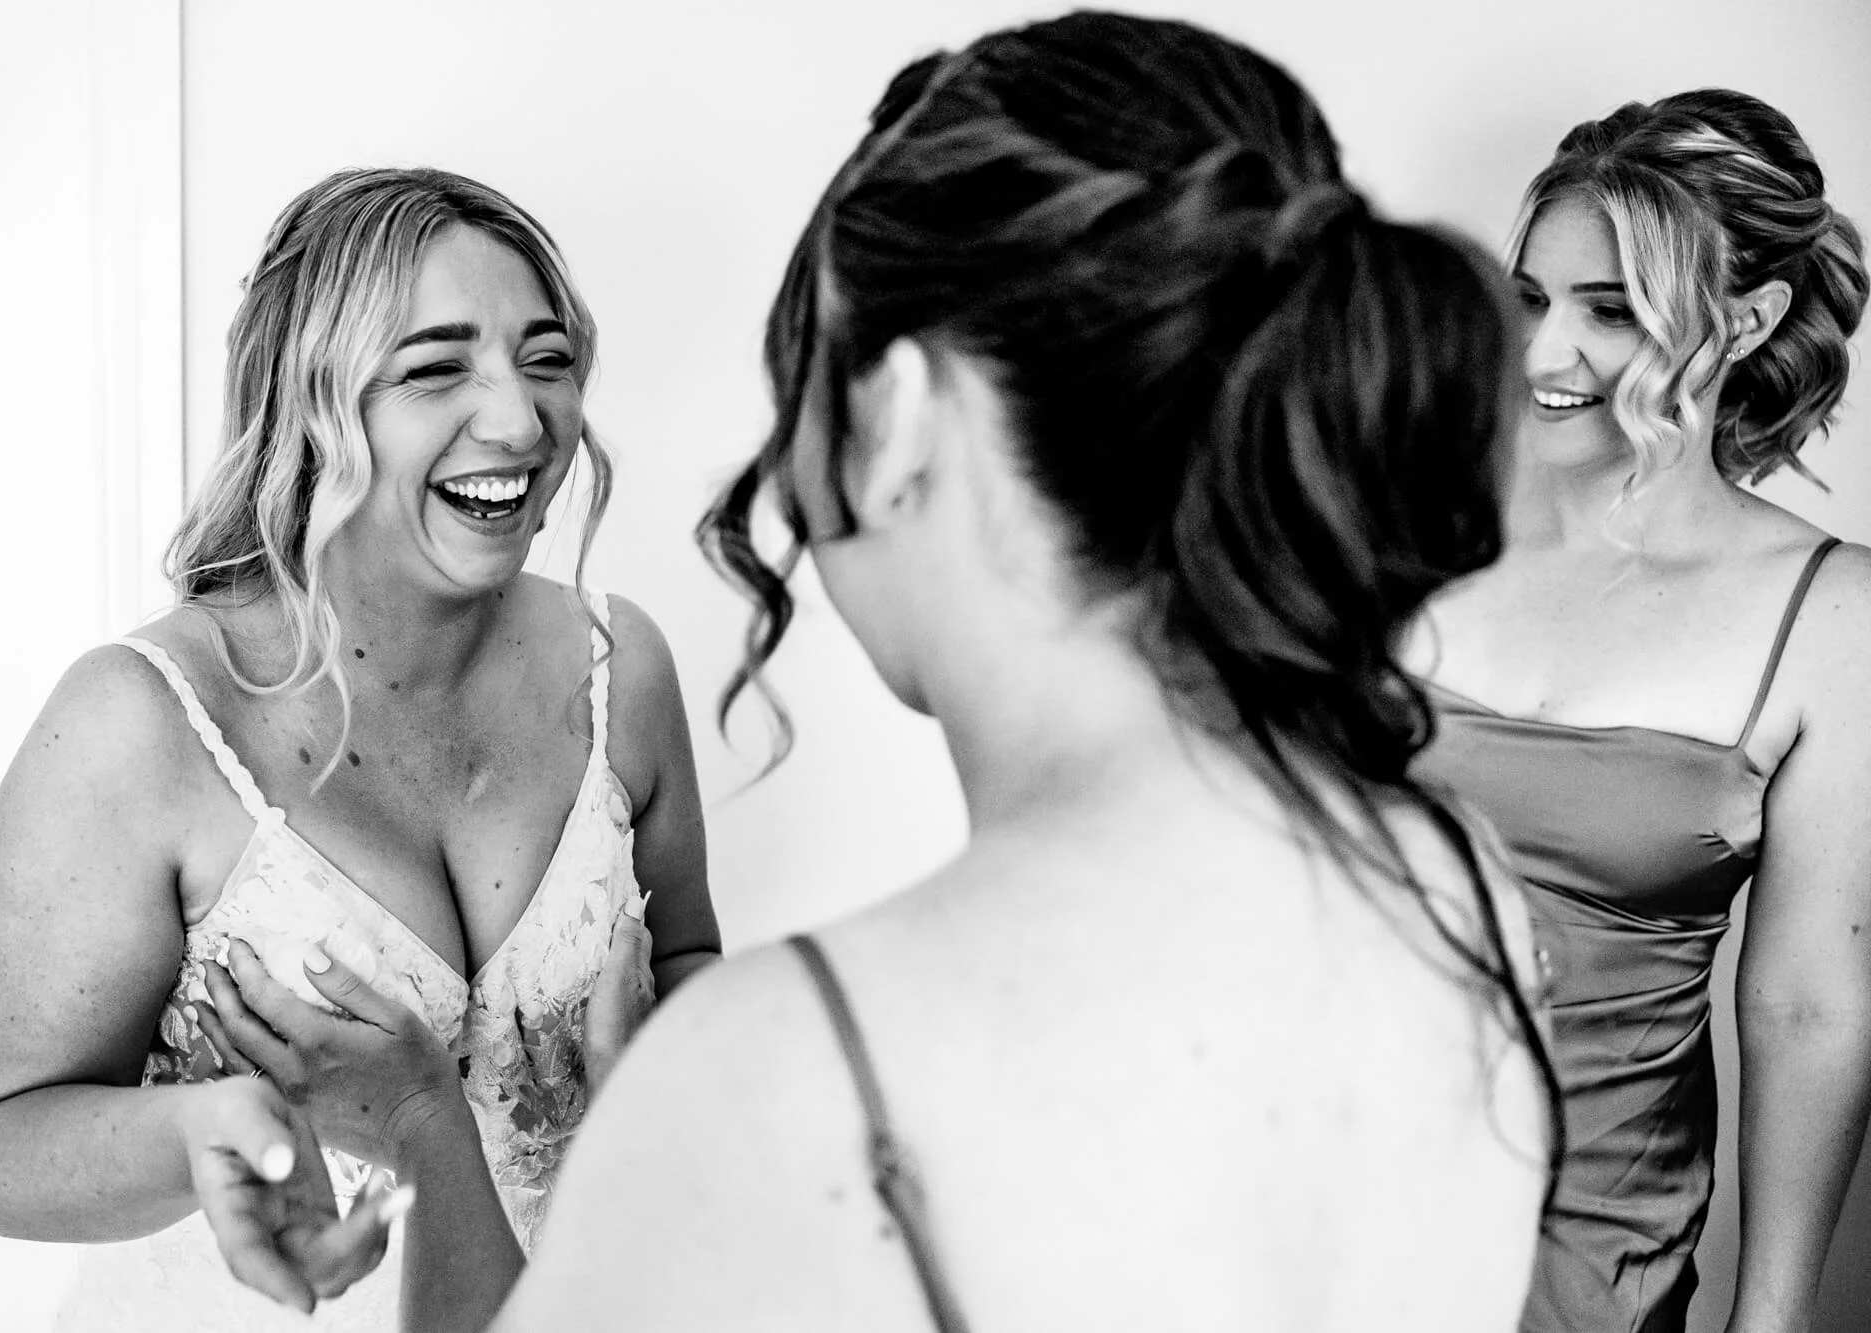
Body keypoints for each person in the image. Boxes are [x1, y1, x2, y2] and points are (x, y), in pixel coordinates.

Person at [203, 14, 1564, 1330]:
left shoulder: (796, 1062)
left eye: (804, 379)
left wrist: (429, 1126)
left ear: (900, 414)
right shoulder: (1456, 889)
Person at [0, 166, 720, 1332]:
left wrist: (657, 1076)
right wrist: (207, 1127)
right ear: (305, 402)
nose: (520, 421)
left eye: (546, 358)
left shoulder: (620, 670)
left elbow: (687, 956)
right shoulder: (140, 722)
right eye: (436, 367)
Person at [1407, 90, 1871, 1333]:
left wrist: (1770, 1319)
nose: (1540, 354)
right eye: (1528, 299)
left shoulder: (1832, 617)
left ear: (1746, 318)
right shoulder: (1414, 519)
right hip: (1308, 1203)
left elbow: (1804, 1006)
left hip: (1583, 1265)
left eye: (1607, 311)